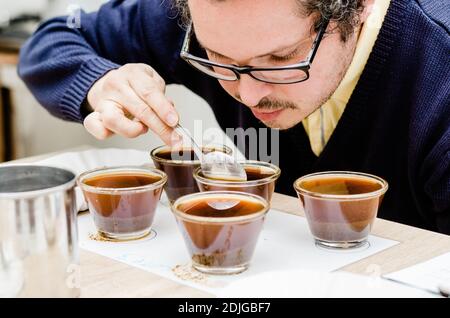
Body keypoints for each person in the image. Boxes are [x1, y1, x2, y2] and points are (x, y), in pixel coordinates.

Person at [18, 0, 449, 234]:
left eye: (279, 59)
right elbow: (51, 42)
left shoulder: (439, 72)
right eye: (218, 59)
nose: (248, 93)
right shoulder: (201, 17)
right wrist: (99, 82)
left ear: (360, 8)